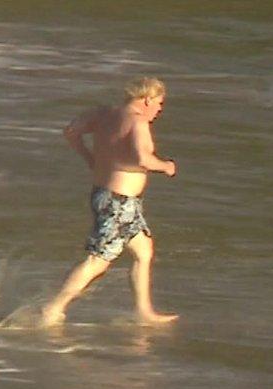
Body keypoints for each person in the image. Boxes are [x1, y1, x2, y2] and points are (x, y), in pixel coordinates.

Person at [40, 77, 178, 326]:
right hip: (118, 204)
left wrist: (89, 157)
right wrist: (166, 166)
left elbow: (71, 131)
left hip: (111, 197)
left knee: (144, 251)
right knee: (97, 262)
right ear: (146, 100)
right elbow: (143, 159)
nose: (159, 109)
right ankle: (53, 308)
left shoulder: (104, 114)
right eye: (159, 103)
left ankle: (143, 312)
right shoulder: (138, 122)